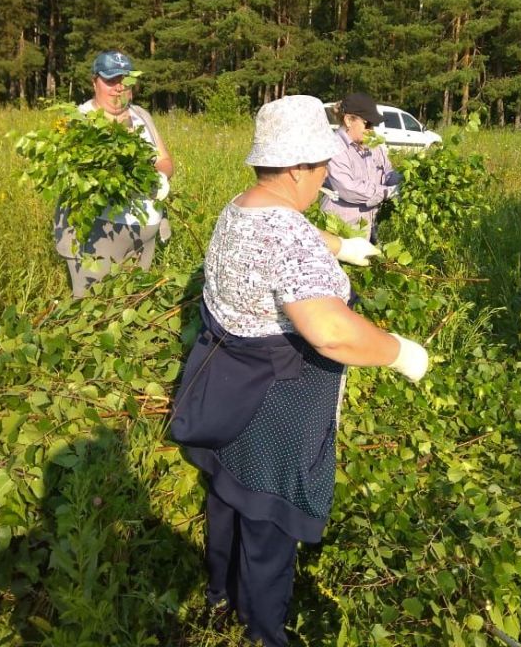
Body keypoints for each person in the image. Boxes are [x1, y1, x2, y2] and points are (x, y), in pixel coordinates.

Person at [171, 94, 428, 647]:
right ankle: (263, 631)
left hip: (225, 391)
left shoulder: (240, 207)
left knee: (228, 495)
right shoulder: (288, 235)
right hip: (275, 404)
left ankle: (220, 597)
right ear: (296, 168)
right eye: (320, 166)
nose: (324, 177)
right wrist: (399, 351)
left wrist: (342, 245)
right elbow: (332, 332)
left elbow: (284, 233)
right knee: (268, 519)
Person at [53, 50, 174, 297]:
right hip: (99, 234)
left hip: (144, 233)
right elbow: (73, 174)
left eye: (125, 80)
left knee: (132, 303)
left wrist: (159, 176)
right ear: (94, 82)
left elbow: (164, 160)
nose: (118, 88)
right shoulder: (79, 121)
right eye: (110, 80)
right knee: (93, 307)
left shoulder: (142, 116)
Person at [320, 92, 402, 240]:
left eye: (373, 124)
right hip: (342, 230)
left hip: (370, 226)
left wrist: (406, 181)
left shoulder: (373, 146)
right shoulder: (335, 147)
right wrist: (388, 192)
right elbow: (348, 188)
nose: (371, 129)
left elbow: (387, 172)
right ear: (348, 120)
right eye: (368, 123)